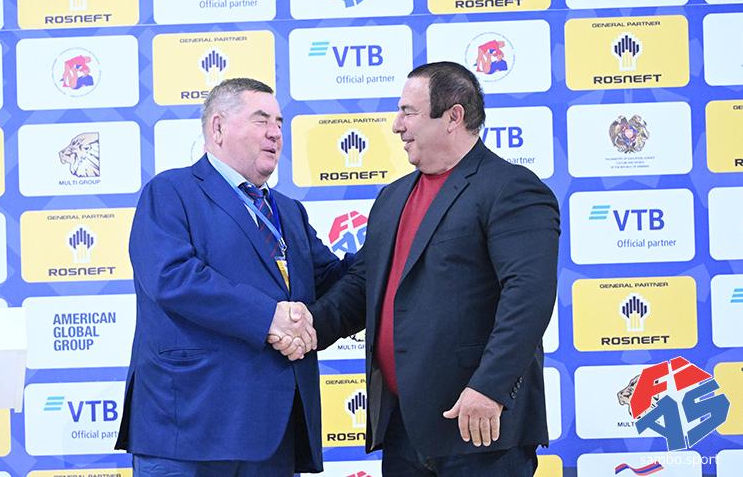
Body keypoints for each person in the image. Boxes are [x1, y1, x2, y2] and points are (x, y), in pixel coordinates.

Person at [285, 61, 560, 476]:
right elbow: (363, 285)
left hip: (478, 425)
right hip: (404, 427)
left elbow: (528, 297)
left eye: (408, 112)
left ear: (453, 116)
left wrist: (490, 388)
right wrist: (307, 328)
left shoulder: (511, 188)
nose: (397, 125)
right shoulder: (392, 197)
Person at [116, 78, 352, 476]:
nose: (275, 133)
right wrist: (269, 318)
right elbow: (173, 277)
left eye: (279, 122)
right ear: (218, 127)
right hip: (188, 428)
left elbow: (331, 279)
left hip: (272, 432)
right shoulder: (170, 191)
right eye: (261, 120)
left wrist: (393, 240)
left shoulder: (288, 211)